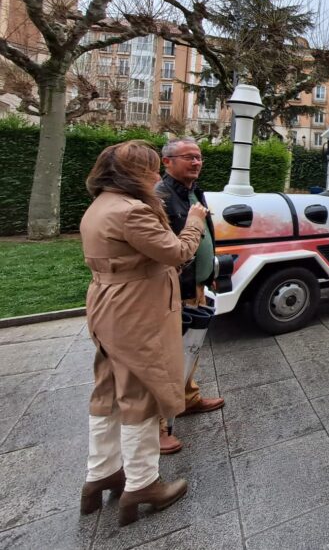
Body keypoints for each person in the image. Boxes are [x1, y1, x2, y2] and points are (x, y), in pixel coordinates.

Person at [79, 140, 208, 526]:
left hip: (107, 304)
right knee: (139, 396)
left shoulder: (101, 203)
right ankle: (142, 483)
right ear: (135, 173)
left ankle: (100, 475)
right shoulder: (132, 210)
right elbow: (176, 252)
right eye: (152, 168)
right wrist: (196, 220)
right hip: (134, 309)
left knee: (107, 392)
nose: (156, 175)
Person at [156, 138, 225, 454]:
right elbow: (169, 248)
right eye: (188, 157)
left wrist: (209, 273)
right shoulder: (161, 197)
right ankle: (158, 427)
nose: (196, 162)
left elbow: (204, 234)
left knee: (191, 349)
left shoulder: (192, 191)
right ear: (166, 161)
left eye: (199, 157)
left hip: (195, 286)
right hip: (174, 289)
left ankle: (189, 398)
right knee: (169, 356)